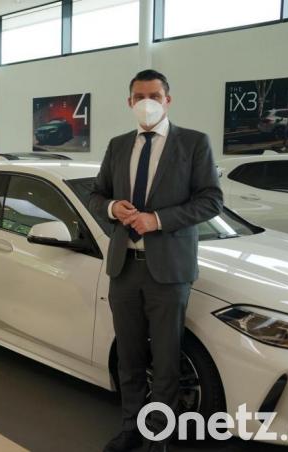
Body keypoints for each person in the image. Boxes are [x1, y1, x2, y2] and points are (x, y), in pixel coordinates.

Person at [89, 70, 223, 452]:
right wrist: (113, 208)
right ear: (129, 102)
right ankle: (131, 427)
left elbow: (211, 200)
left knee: (166, 361)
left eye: (154, 95)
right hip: (124, 267)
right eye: (139, 96)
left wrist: (158, 220)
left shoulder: (193, 143)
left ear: (168, 100)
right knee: (129, 357)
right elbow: (97, 195)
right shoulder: (118, 145)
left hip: (169, 270)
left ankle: (157, 436)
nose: (146, 102)